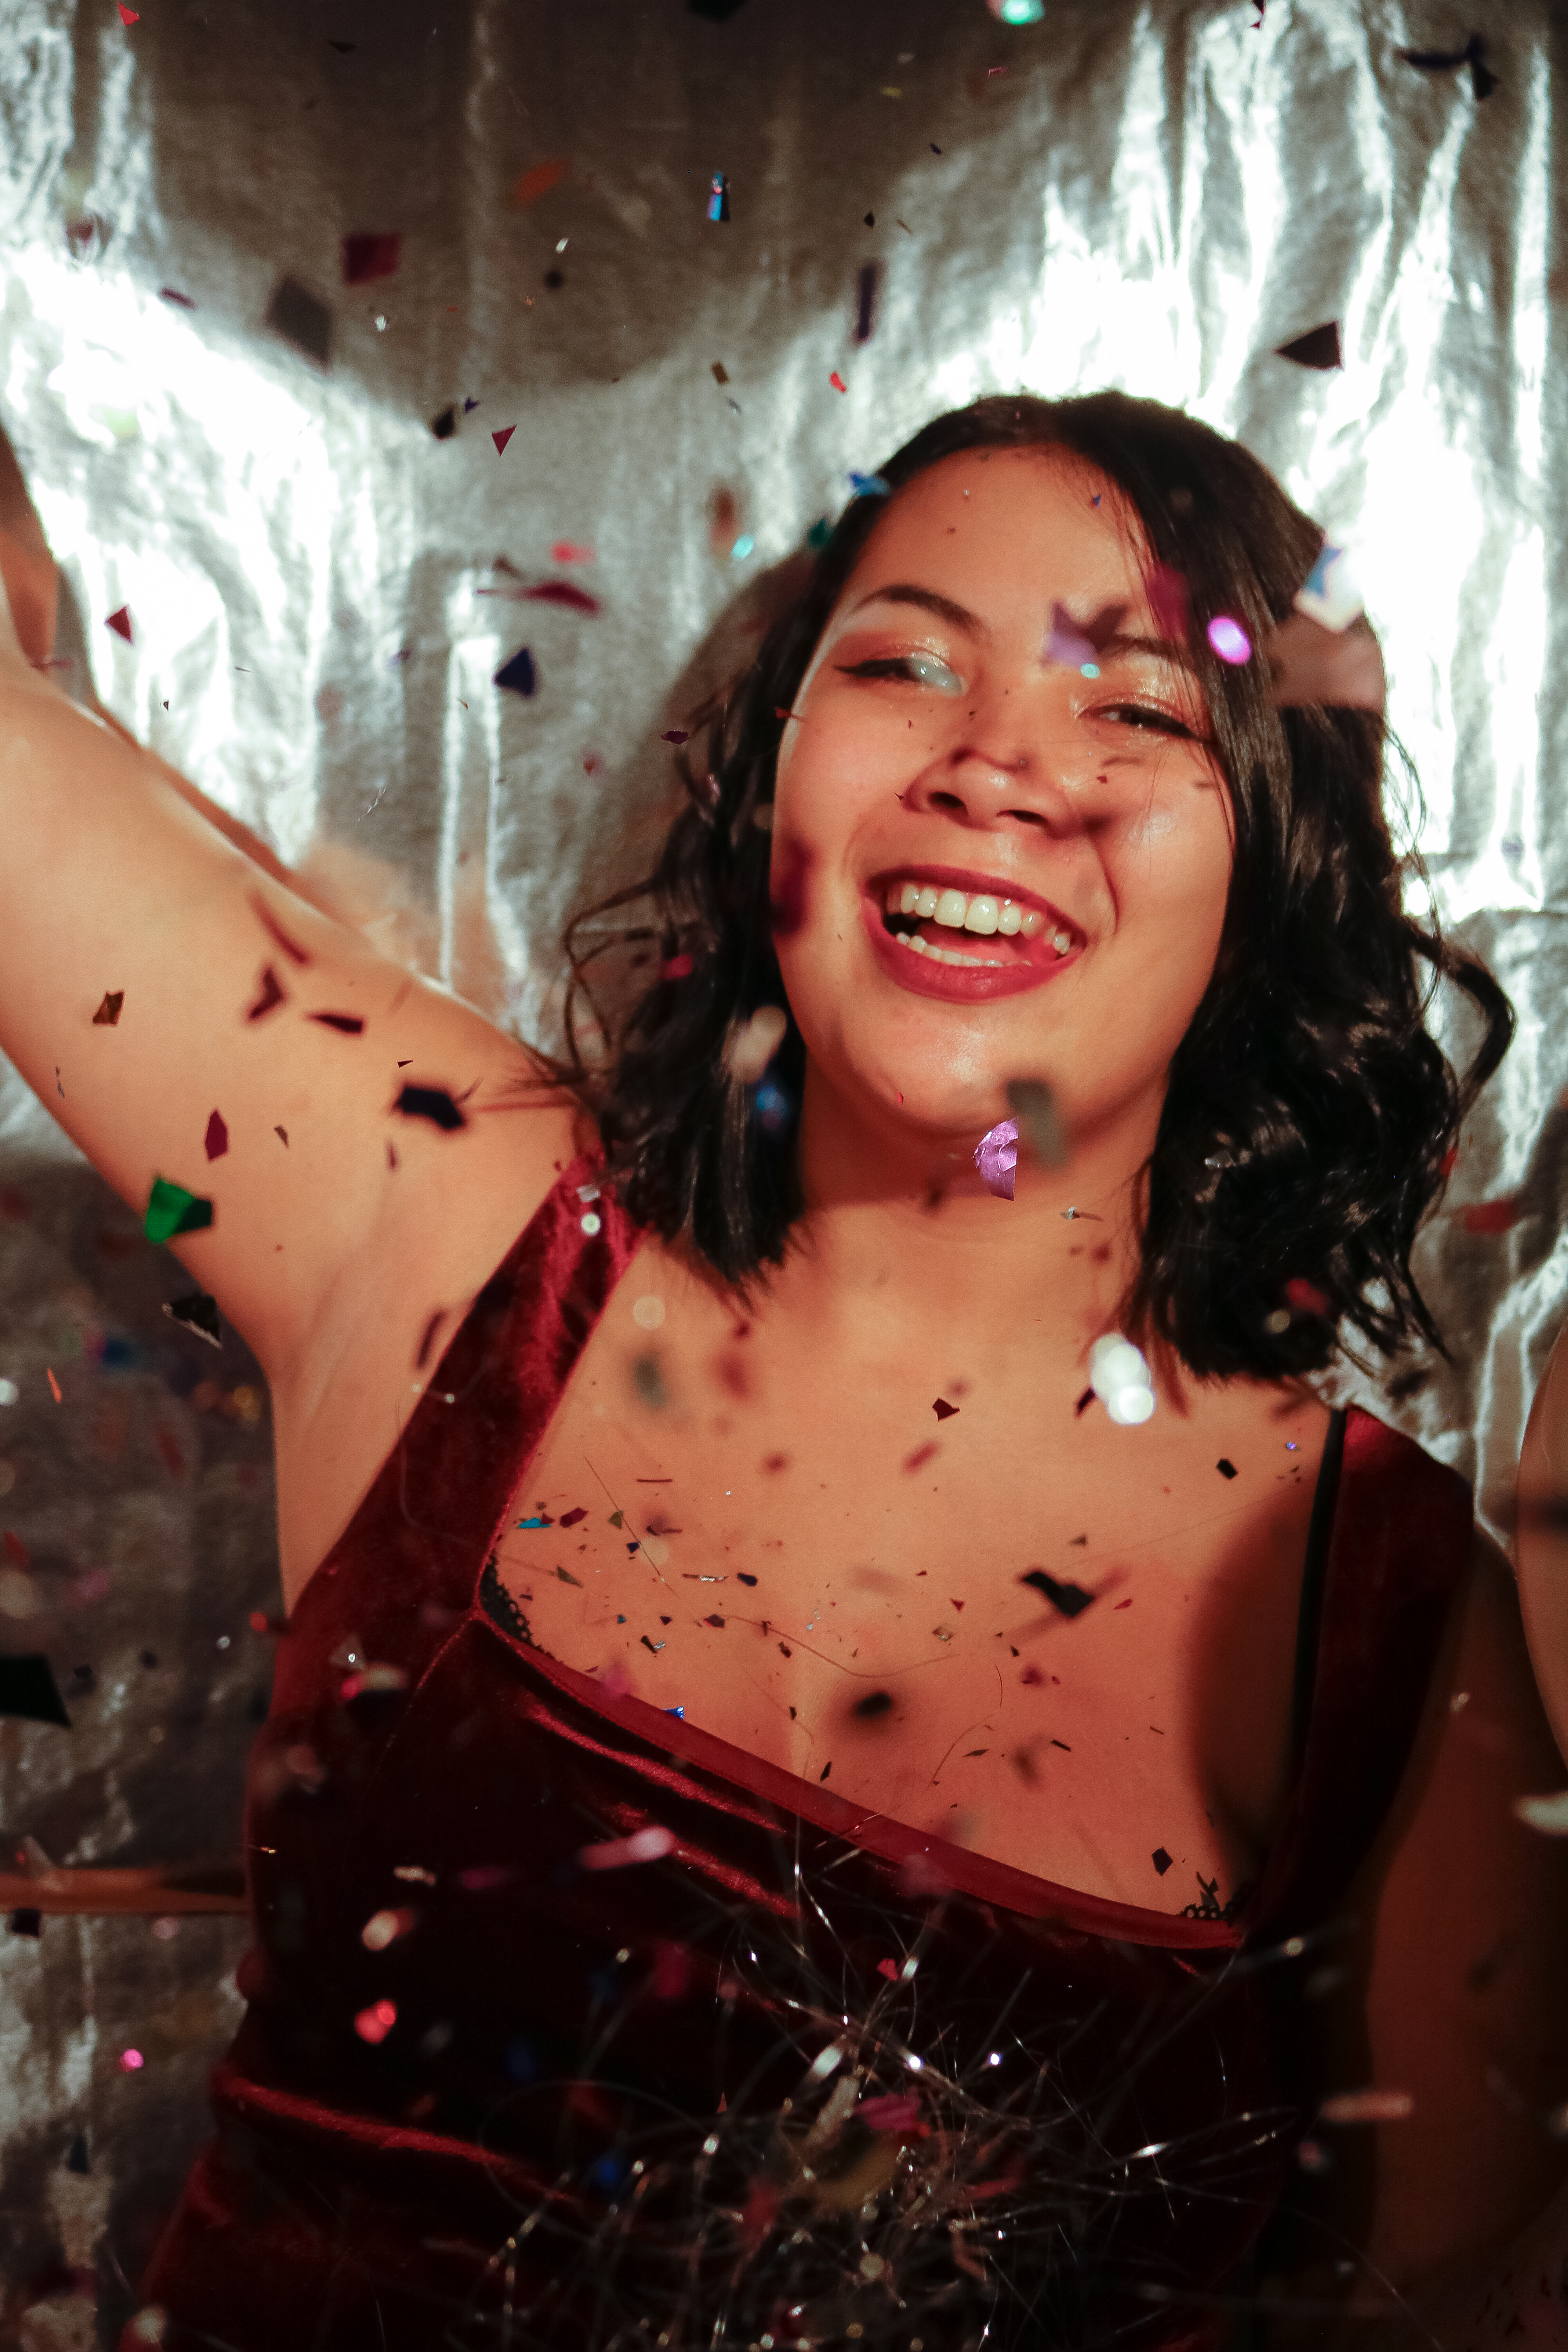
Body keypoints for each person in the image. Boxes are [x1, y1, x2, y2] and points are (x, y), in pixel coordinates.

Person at [0, 391, 1563, 2352]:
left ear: (1273, 868)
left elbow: (1435, 2312)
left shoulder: (1398, 1637)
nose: (999, 766)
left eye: (1140, 711)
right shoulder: (447, 1215)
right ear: (775, 787)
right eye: (907, 662)